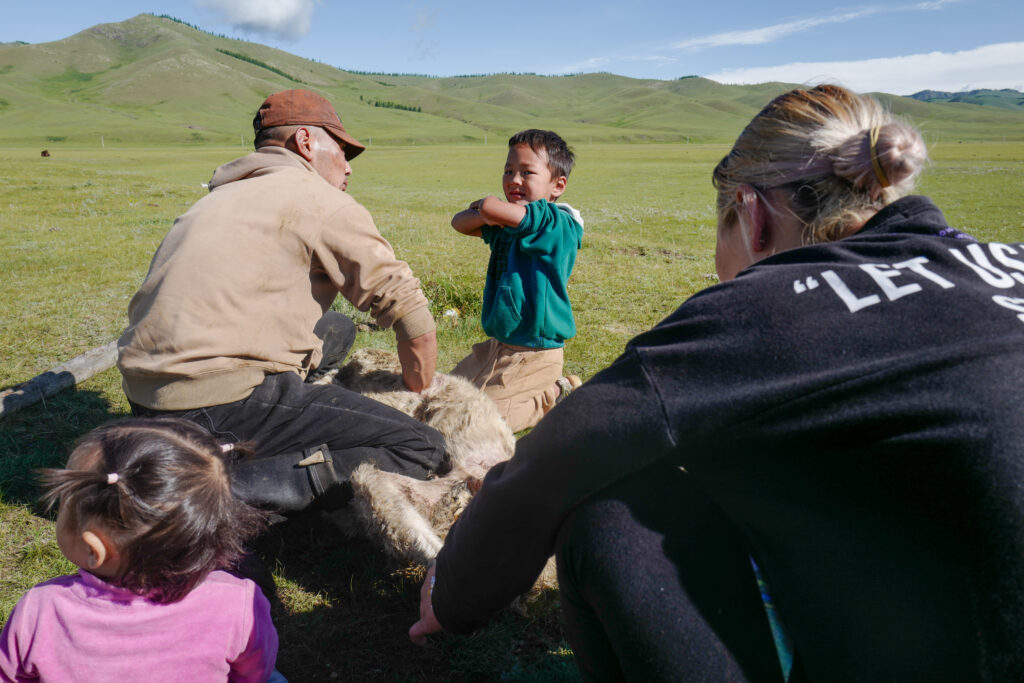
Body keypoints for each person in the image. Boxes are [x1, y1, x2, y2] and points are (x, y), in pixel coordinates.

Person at [409, 84, 1024, 681]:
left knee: (611, 520)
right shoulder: (1009, 260)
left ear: (751, 215)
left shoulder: (772, 307)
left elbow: (573, 441)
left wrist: (458, 587)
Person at [117, 89, 448, 513]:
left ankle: (212, 449)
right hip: (214, 399)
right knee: (422, 448)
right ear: (306, 142)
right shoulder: (321, 201)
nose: (348, 168)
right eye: (343, 151)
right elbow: (408, 311)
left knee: (338, 330)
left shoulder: (216, 198)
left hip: (146, 393)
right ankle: (208, 492)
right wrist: (418, 390)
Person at [0, 418, 283, 682]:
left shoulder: (41, 611)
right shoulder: (238, 602)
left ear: (93, 549)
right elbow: (254, 673)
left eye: (63, 504)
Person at [449, 129, 584, 432]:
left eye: (527, 172)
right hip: (498, 346)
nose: (514, 180)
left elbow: (490, 210)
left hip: (535, 354)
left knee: (489, 423)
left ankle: (556, 394)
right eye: (508, 170)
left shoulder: (557, 222)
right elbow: (459, 223)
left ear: (558, 185)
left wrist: (485, 207)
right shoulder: (509, 222)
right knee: (448, 397)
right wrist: (487, 212)